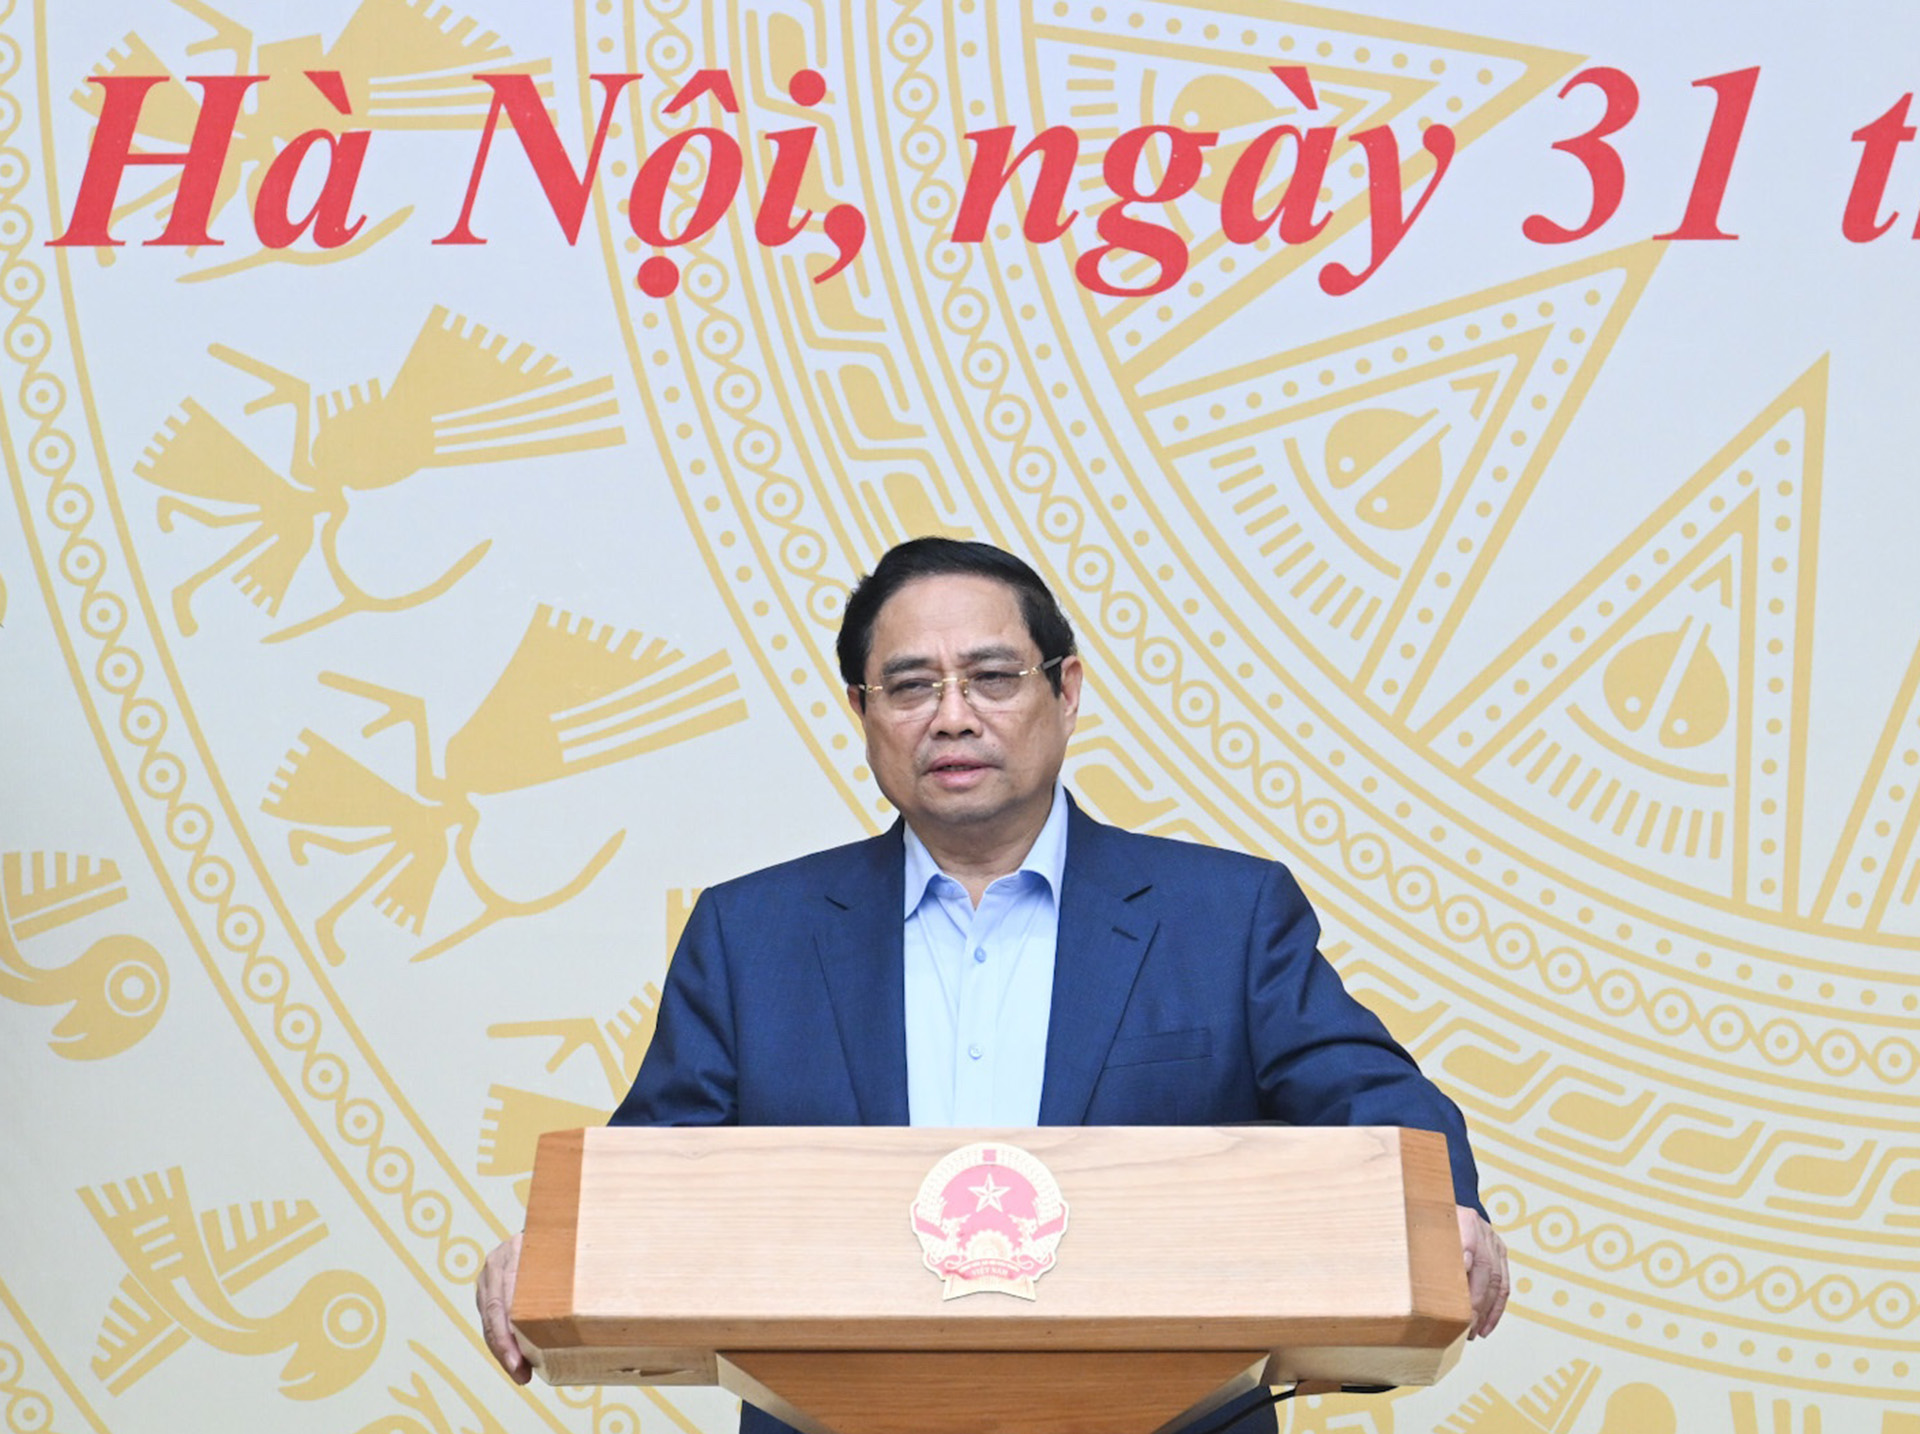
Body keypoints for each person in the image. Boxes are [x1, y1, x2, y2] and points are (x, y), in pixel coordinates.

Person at [477, 538, 1509, 1425]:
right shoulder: (752, 937)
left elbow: (1378, 1105)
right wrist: (553, 1254)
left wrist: (1445, 1215)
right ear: (863, 712)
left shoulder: (1224, 917)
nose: (953, 716)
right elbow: (652, 1180)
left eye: (992, 677)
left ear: (1066, 690)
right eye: (911, 686)